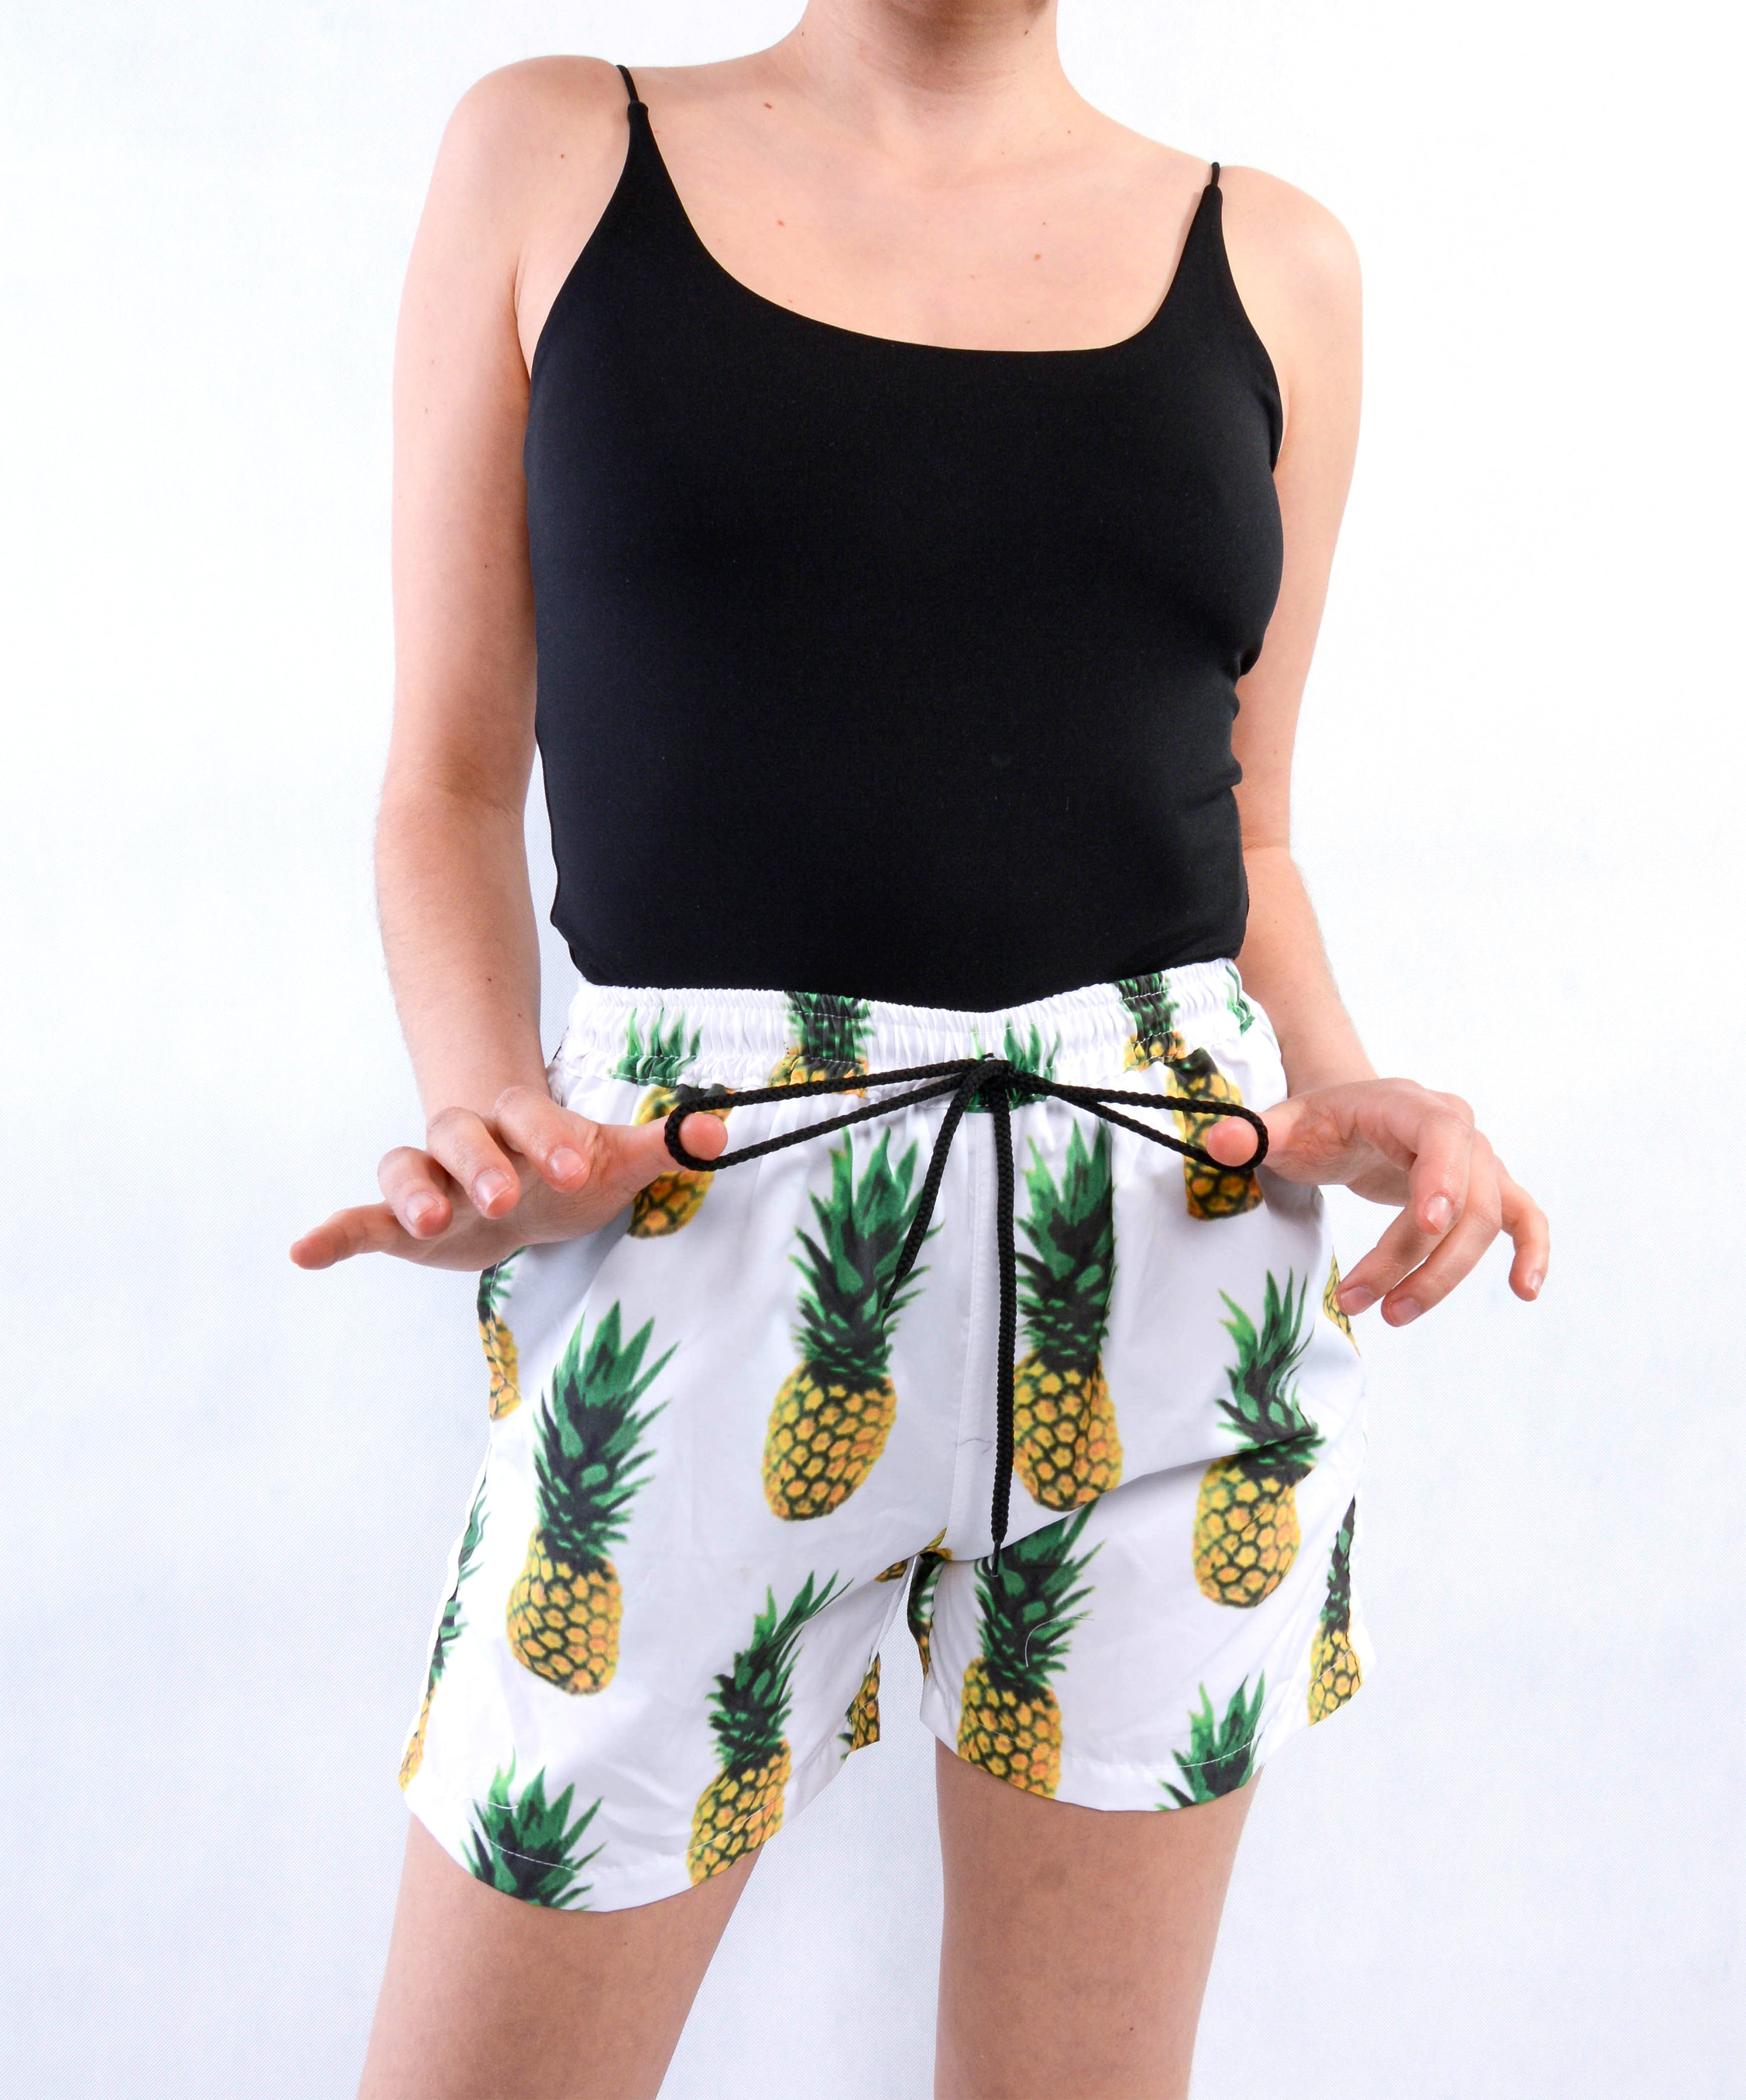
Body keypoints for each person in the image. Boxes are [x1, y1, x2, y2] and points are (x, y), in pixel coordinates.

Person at [293, 6, 1548, 2095]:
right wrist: (487, 1108)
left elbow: (1246, 835)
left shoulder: (1280, 263)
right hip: (692, 1216)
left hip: (1171, 1237)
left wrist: (1353, 1096)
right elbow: (442, 778)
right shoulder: (556, 154)